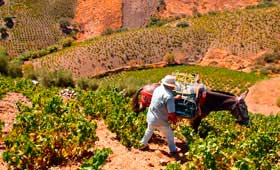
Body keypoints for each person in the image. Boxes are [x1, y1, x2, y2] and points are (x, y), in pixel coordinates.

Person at [140, 75, 181, 154]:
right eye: (173, 86)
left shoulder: (158, 89)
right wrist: (174, 120)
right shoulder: (169, 96)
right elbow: (171, 113)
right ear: (170, 86)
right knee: (169, 135)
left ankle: (142, 144)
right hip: (160, 121)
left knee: (149, 130)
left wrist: (174, 98)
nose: (173, 88)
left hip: (151, 117)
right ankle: (173, 150)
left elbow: (162, 99)